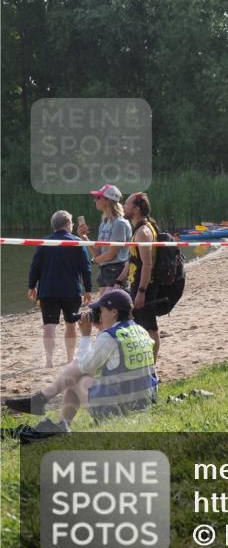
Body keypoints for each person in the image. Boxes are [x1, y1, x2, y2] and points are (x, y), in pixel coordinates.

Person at [2, 290, 157, 441]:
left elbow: (85, 366)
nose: (100, 315)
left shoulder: (109, 337)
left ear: (114, 312)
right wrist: (103, 330)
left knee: (74, 377)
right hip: (144, 403)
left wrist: (85, 336)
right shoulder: (141, 331)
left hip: (119, 410)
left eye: (102, 310)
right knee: (77, 376)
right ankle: (54, 415)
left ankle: (43, 403)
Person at [28, 210, 93, 367]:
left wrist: (31, 286)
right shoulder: (77, 242)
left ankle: (49, 361)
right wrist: (88, 289)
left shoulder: (44, 242)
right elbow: (86, 268)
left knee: (49, 325)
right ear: (68, 224)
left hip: (48, 290)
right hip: (71, 290)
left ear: (54, 226)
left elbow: (35, 266)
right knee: (71, 323)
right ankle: (69, 359)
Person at [116, 192, 162, 360]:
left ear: (135, 209)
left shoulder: (143, 231)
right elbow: (133, 260)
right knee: (141, 325)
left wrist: (142, 291)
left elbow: (147, 264)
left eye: (127, 204)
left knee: (150, 327)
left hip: (145, 285)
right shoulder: (139, 230)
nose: (123, 206)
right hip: (137, 283)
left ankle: (151, 366)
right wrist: (119, 281)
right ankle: (146, 363)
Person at [79, 184, 131, 295]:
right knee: (103, 304)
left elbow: (111, 254)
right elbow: (98, 252)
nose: (95, 200)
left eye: (98, 197)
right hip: (104, 270)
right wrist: (85, 239)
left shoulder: (120, 223)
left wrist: (95, 261)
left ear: (108, 200)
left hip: (116, 270)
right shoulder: (104, 223)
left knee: (109, 304)